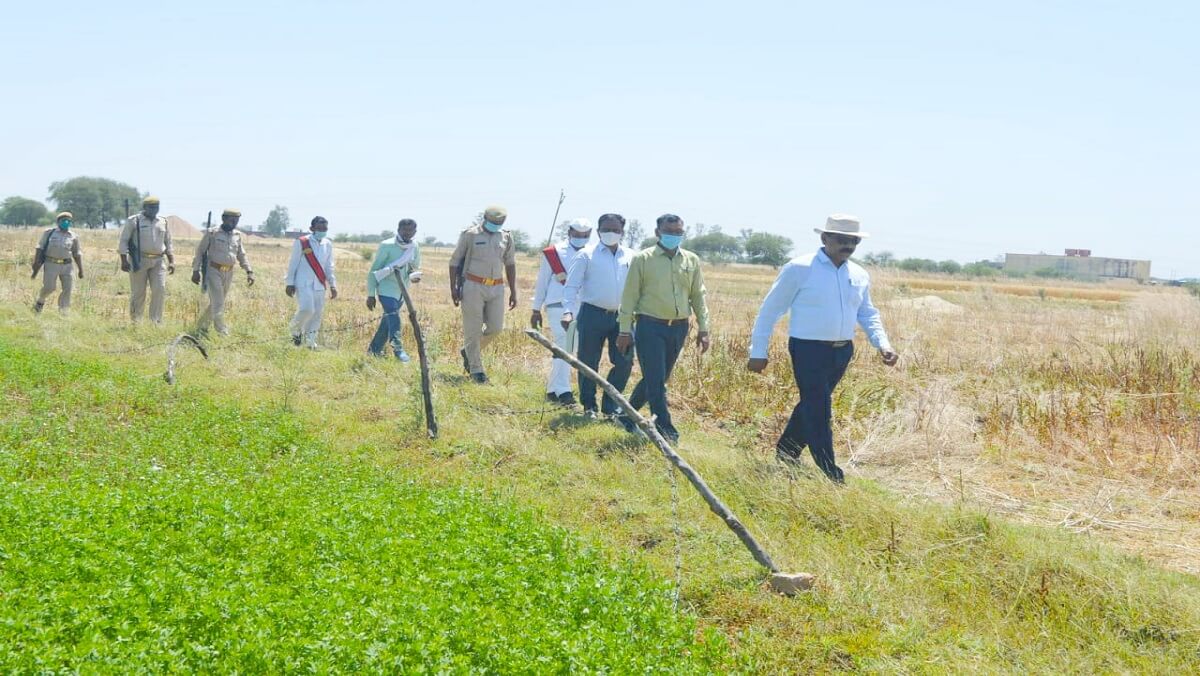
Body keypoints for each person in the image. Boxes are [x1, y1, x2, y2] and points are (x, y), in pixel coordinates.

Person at [746, 214, 899, 483]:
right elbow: (769, 311)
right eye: (841, 239)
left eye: (853, 241)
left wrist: (882, 344)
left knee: (811, 404)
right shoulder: (799, 268)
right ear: (824, 238)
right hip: (808, 350)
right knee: (820, 407)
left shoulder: (859, 274)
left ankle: (786, 451)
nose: (847, 245)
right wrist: (758, 351)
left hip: (842, 351)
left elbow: (867, 313)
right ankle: (830, 473)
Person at [616, 213, 710, 443]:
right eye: (669, 233)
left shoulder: (691, 260)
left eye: (679, 233)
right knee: (656, 379)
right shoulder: (643, 259)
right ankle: (666, 428)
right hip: (650, 325)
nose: (674, 237)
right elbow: (629, 296)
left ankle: (627, 417)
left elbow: (698, 295)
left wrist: (704, 328)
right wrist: (624, 330)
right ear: (658, 233)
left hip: (678, 327)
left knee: (658, 377)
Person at [561, 213, 636, 418]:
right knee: (588, 361)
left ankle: (611, 406)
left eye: (615, 230)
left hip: (623, 317)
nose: (611, 233)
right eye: (606, 229)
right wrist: (568, 311)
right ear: (598, 230)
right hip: (592, 314)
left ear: (622, 232)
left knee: (624, 362)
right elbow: (571, 286)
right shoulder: (586, 254)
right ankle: (589, 406)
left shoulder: (631, 256)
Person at [448, 205, 517, 384]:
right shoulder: (470, 235)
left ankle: (469, 352)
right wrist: (453, 288)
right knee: (473, 329)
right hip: (473, 285)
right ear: (485, 217)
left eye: (500, 222)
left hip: (497, 287)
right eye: (494, 222)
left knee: (496, 328)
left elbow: (510, 263)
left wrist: (513, 291)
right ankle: (476, 371)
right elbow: (454, 262)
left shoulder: (506, 236)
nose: (496, 225)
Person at [531, 218, 592, 405]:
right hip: (557, 303)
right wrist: (536, 309)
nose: (580, 238)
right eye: (577, 234)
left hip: (582, 305)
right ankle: (564, 392)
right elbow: (542, 281)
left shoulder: (592, 253)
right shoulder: (554, 252)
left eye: (585, 235)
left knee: (568, 347)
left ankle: (552, 390)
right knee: (566, 346)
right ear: (569, 232)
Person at [191, 208, 255, 336]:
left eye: (236, 220)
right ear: (224, 218)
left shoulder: (237, 236)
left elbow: (241, 255)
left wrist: (249, 271)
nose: (234, 222)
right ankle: (222, 331)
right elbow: (200, 252)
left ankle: (201, 327)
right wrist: (196, 270)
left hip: (229, 273)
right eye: (232, 219)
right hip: (213, 271)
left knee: (217, 301)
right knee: (218, 301)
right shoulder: (212, 233)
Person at [366, 218, 423, 361]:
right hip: (386, 288)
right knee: (393, 316)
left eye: (411, 230)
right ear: (398, 230)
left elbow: (413, 267)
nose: (407, 233)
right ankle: (398, 350)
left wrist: (414, 276)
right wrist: (371, 294)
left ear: (415, 231)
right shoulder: (387, 245)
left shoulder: (414, 246)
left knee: (388, 322)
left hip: (402, 291)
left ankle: (373, 351)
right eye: (405, 230)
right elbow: (374, 270)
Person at [118, 196, 175, 323]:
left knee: (160, 289)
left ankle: (155, 322)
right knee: (138, 292)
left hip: (159, 261)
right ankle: (136, 321)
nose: (154, 210)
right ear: (144, 207)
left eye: (156, 207)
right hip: (139, 260)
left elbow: (168, 242)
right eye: (151, 207)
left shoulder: (163, 221)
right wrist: (123, 260)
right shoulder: (134, 221)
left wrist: (171, 261)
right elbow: (124, 241)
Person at [285, 216, 338, 348]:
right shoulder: (302, 242)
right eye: (319, 228)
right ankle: (295, 330)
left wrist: (333, 285)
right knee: (307, 309)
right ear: (312, 228)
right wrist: (289, 283)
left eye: (325, 228)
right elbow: (293, 263)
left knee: (317, 314)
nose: (322, 231)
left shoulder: (328, 244)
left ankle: (310, 341)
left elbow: (329, 266)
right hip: (303, 282)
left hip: (319, 284)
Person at [31, 212, 83, 313]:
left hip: (67, 265)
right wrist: (36, 262)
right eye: (64, 220)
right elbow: (40, 247)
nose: (66, 222)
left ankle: (63, 311)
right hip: (51, 263)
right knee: (49, 287)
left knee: (68, 289)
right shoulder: (49, 233)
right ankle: (40, 301)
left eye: (68, 221)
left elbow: (77, 253)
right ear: (58, 222)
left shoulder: (73, 236)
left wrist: (81, 270)